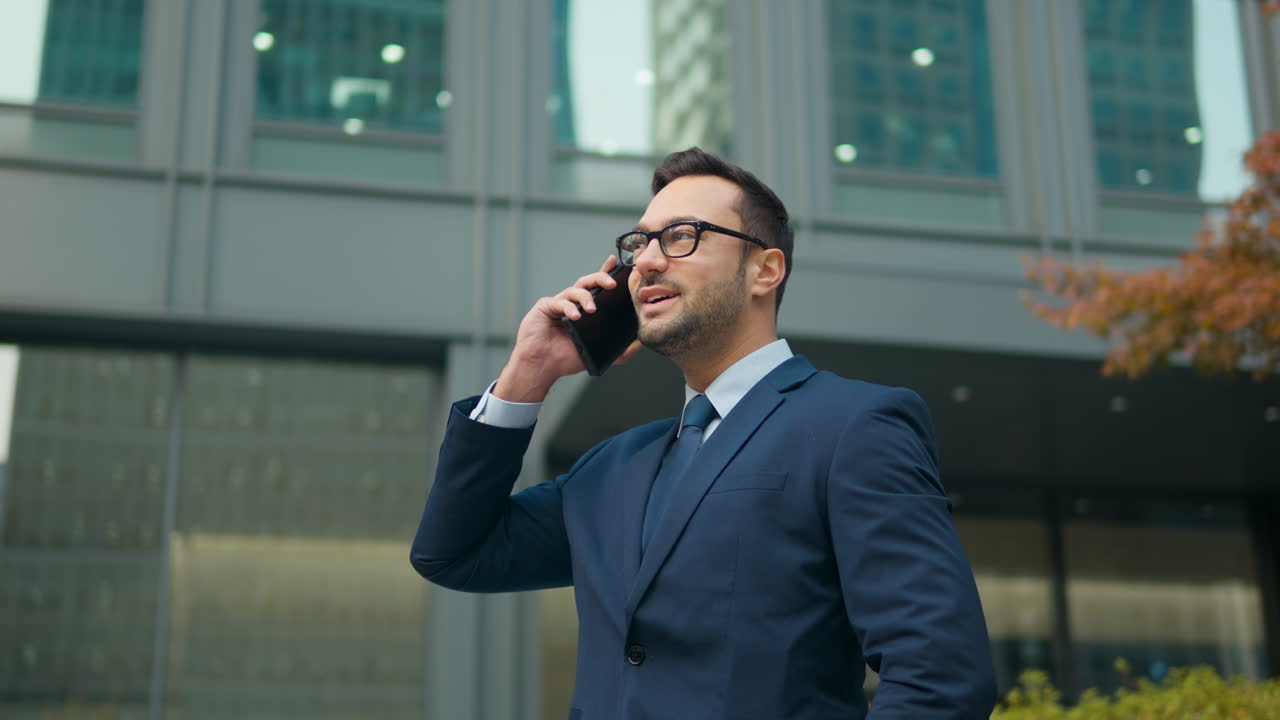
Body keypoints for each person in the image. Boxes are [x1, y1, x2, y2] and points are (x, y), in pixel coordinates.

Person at [411, 148, 997, 719]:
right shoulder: (612, 466)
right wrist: (527, 374)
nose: (645, 262)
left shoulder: (854, 427)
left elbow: (938, 678)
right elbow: (454, 554)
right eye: (638, 243)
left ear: (765, 270)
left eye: (682, 235)